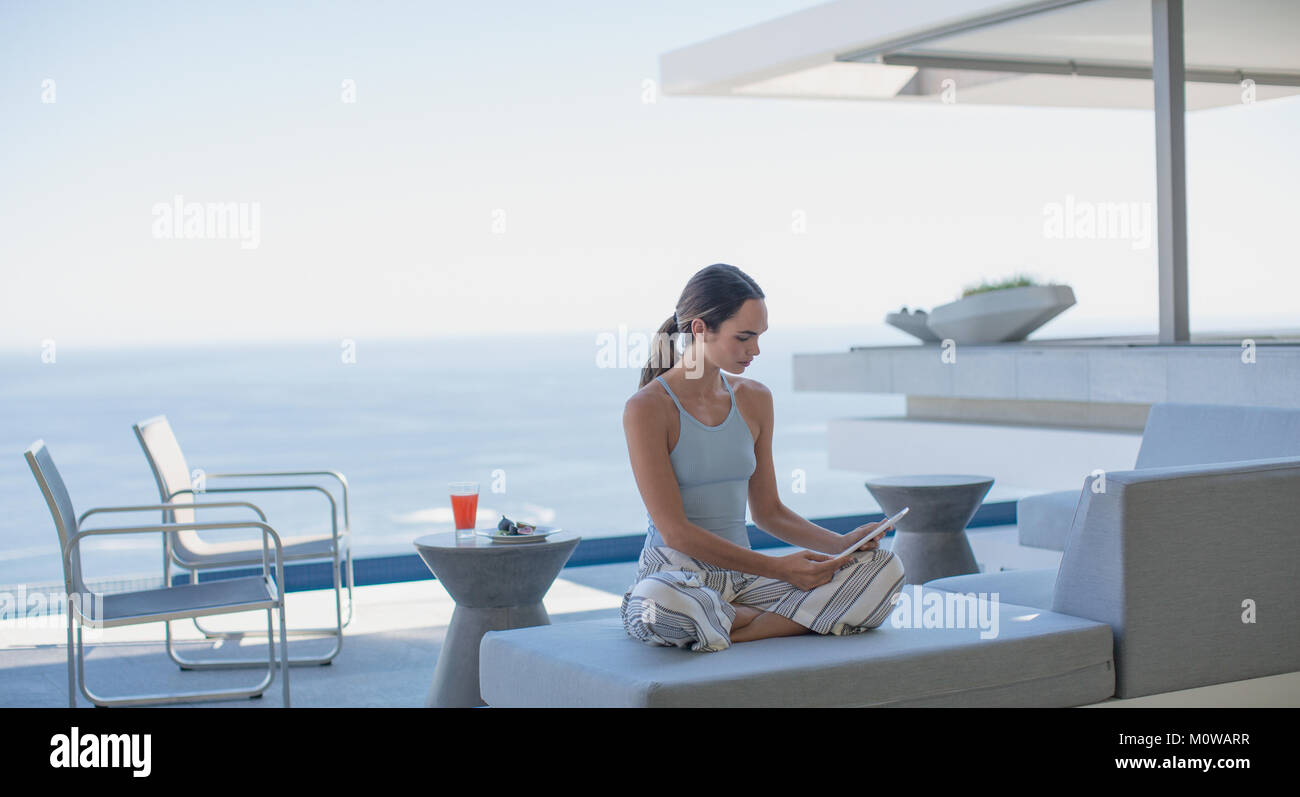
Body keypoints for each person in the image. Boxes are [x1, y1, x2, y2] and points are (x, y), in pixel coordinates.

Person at [620, 263, 906, 652]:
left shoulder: (755, 398)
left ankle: (731, 626)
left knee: (885, 570)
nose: (755, 350)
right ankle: (788, 619)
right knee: (657, 604)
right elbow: (676, 532)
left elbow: (768, 511)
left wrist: (840, 545)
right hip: (675, 577)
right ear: (700, 329)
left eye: (759, 337)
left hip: (743, 582)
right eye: (744, 337)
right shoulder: (647, 408)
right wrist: (779, 569)